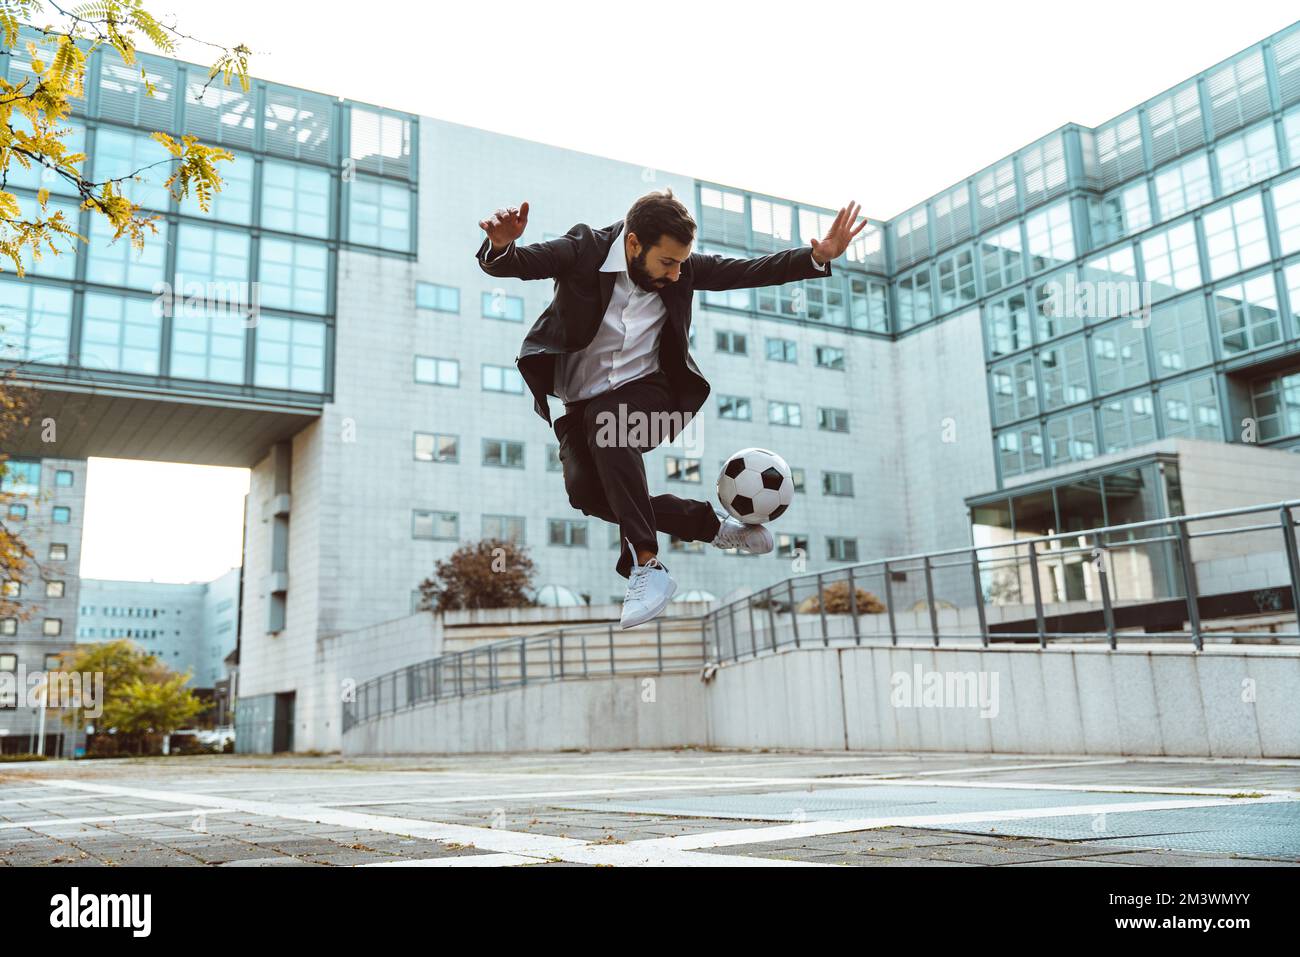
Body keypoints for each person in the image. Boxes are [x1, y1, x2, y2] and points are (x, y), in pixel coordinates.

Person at [476, 188, 867, 628]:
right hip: (578, 405)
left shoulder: (683, 270)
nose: (677, 274)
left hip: (654, 396)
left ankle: (647, 566)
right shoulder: (584, 249)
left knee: (612, 424)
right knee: (590, 495)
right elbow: (525, 263)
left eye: (682, 262)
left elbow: (748, 271)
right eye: (667, 263)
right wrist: (502, 246)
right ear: (632, 243)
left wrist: (816, 257)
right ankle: (715, 528)